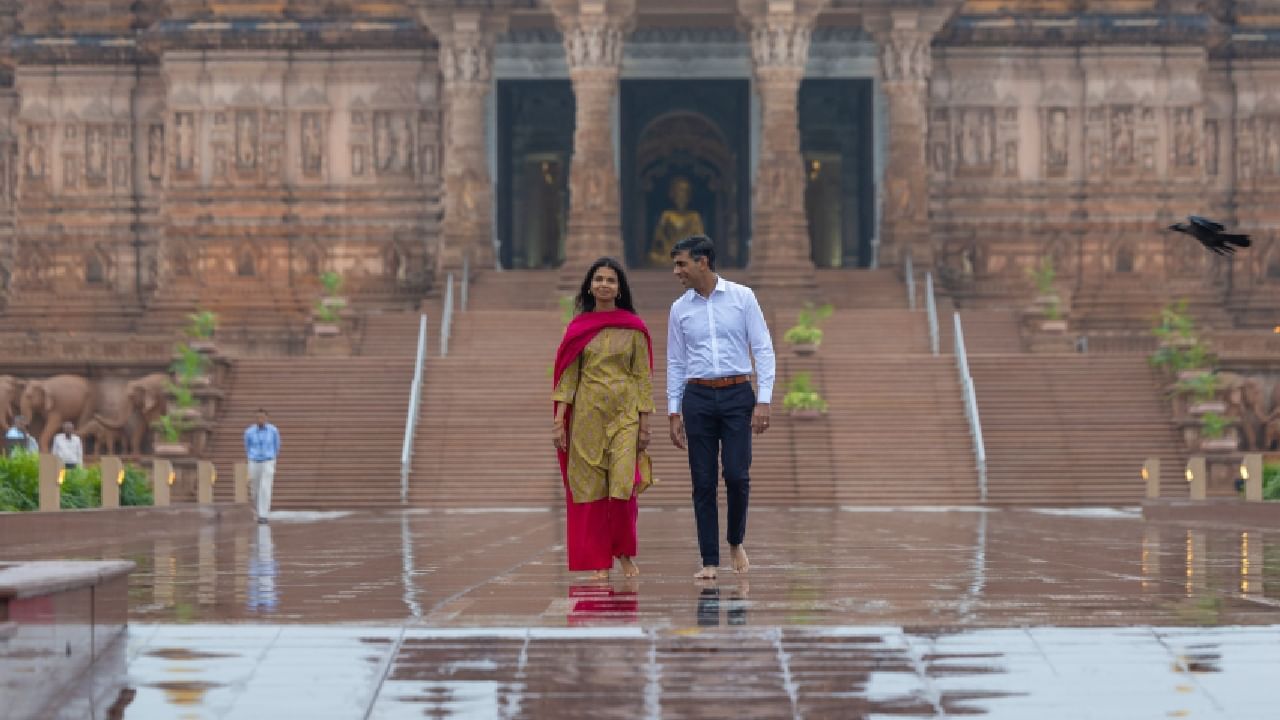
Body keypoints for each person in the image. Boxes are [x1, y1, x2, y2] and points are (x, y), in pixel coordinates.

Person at [666, 235, 775, 580]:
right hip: (697, 397)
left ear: (703, 262)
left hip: (736, 393)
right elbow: (676, 362)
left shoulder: (742, 298)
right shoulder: (679, 308)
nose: (676, 271)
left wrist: (764, 399)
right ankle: (709, 560)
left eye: (681, 263)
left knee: (737, 474)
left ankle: (735, 541)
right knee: (702, 481)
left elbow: (763, 348)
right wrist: (673, 410)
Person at [553, 257, 654, 580]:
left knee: (623, 485)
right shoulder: (578, 328)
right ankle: (598, 560)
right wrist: (559, 421)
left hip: (625, 416)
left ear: (620, 288)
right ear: (589, 285)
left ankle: (623, 553)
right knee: (591, 488)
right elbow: (567, 378)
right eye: (598, 279)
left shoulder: (634, 328)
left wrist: (645, 422)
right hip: (586, 416)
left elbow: (643, 376)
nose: (604, 285)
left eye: (611, 280)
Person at [244, 408, 281, 524]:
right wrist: (251, 456)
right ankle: (257, 510)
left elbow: (277, 445)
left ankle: (263, 514)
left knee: (265, 487)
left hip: (268, 460)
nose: (260, 419)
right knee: (254, 488)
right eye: (258, 417)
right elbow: (247, 446)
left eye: (262, 417)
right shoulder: (249, 432)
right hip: (254, 460)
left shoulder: (273, 431)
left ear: (266, 418)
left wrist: (273, 457)